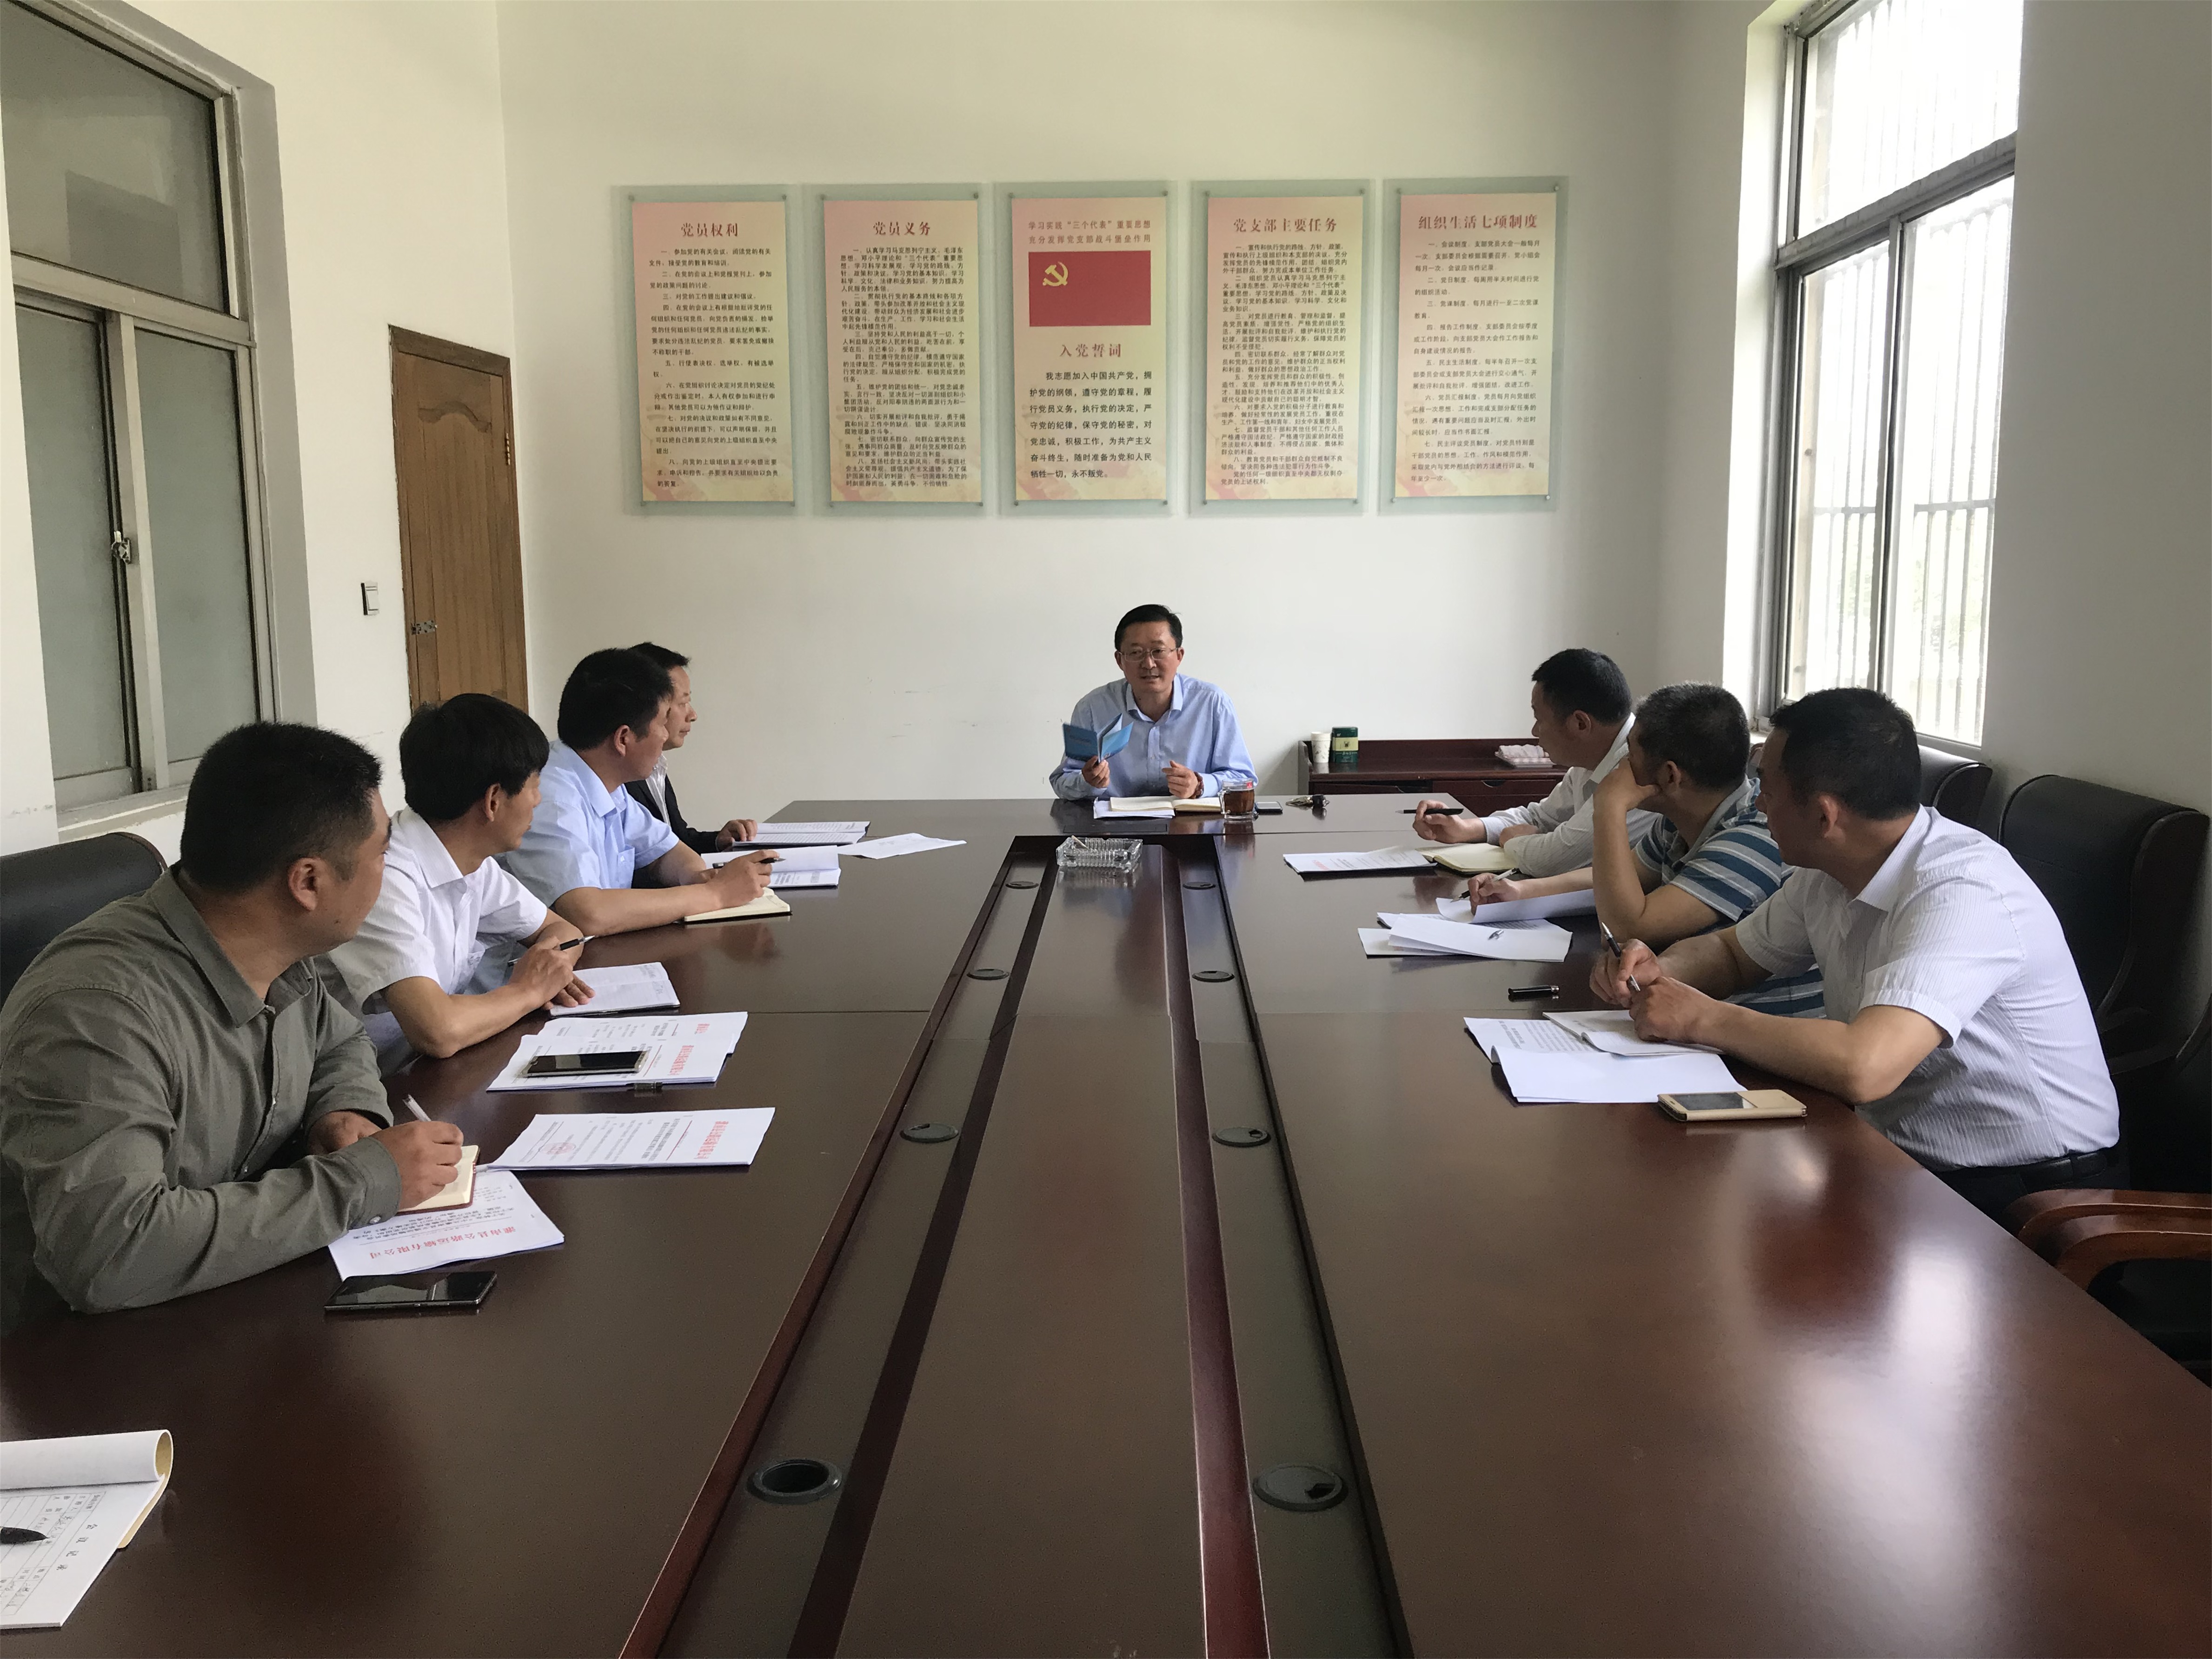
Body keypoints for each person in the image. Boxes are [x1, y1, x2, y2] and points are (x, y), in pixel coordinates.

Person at [0, 723, 465, 1328]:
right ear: (308, 882)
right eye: (381, 852)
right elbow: (112, 1252)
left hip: (233, 1304)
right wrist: (362, 1181)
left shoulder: (280, 951)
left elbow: (338, 1040)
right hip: (81, 1354)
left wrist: (343, 1110)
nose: (388, 867)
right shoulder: (96, 1012)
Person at [1594, 687, 2119, 1221]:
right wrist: (1658, 971)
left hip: (2025, 1196)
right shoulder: (1828, 870)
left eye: (1767, 790)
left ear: (1823, 816)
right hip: (1898, 1160)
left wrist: (1701, 1017)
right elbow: (1732, 954)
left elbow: (1865, 1065)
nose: (1756, 804)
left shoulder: (1961, 890)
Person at [1471, 683, 1822, 1015]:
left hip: (1755, 1029)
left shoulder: (1755, 838)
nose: (1621, 767)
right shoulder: (1679, 820)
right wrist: (1522, 892)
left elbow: (1626, 926)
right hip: (1698, 1013)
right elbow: (1615, 880)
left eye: (1630, 754)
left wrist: (1609, 806)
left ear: (1669, 776)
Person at [327, 693, 594, 1072]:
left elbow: (564, 932)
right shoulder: (385, 876)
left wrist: (551, 971)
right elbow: (437, 1031)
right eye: (534, 786)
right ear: (493, 800)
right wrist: (529, 990)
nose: (538, 800)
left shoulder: (472, 863)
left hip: (422, 1072)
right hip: (365, 1087)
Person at [502, 649, 777, 931]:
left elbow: (667, 852)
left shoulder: (607, 782)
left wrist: (702, 878)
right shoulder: (550, 798)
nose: (665, 735)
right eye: (662, 723)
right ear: (623, 739)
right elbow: (587, 913)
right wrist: (715, 894)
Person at [1412, 647, 1659, 877]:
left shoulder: (1640, 768)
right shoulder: (1591, 759)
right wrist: (1466, 829)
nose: (1534, 731)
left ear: (1580, 724)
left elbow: (1554, 860)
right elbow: (1540, 818)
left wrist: (1511, 839)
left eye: (1539, 719)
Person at [1048, 604, 1256, 802]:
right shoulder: (1093, 708)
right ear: (1120, 660)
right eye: (1136, 653)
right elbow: (1062, 781)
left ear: (1179, 656)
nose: (1148, 664)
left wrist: (1200, 785)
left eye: (1158, 651)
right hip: (1114, 824)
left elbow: (1244, 779)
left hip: (1193, 823)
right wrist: (1087, 782)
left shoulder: (1212, 703)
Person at [623, 643, 759, 851]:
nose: (693, 715)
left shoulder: (656, 765)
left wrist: (718, 841)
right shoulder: (623, 774)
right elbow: (644, 862)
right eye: (683, 703)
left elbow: (676, 841)